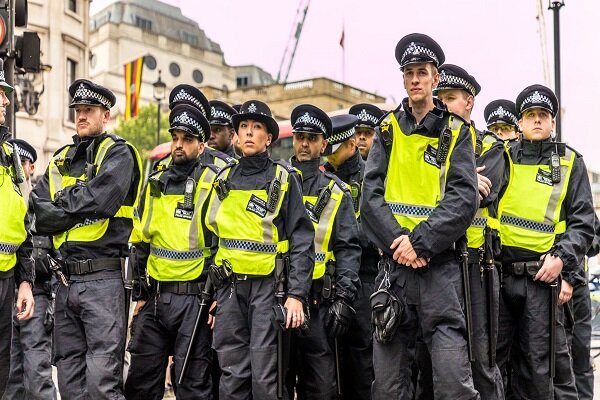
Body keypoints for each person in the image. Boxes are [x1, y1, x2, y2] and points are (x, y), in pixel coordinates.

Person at [361, 33, 480, 399]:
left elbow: (463, 197)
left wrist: (421, 242)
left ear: (435, 79)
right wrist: (401, 243)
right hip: (395, 271)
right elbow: (370, 197)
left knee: (452, 381)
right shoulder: (386, 129)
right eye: (409, 72)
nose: (415, 79)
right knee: (389, 385)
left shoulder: (457, 131)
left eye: (422, 72)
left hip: (439, 270)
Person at [31, 79, 143, 399]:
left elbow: (103, 200)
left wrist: (61, 207)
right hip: (65, 281)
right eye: (78, 110)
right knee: (68, 380)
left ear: (105, 115)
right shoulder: (61, 157)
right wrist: (76, 206)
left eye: (88, 110)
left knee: (101, 380)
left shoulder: (119, 153)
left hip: (103, 280)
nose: (81, 116)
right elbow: (38, 211)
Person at [205, 100, 314, 399]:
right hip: (229, 289)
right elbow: (214, 239)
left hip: (268, 288)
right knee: (232, 375)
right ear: (236, 135)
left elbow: (302, 239)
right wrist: (212, 293)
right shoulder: (223, 179)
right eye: (243, 127)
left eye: (257, 127)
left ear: (269, 138)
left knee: (266, 378)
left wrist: (296, 295)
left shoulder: (283, 178)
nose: (249, 133)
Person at [495, 84, 594, 399]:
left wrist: (561, 261)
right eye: (530, 115)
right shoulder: (502, 158)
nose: (537, 121)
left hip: (542, 278)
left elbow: (583, 224)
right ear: (520, 123)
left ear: (553, 122)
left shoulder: (570, 163)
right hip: (499, 278)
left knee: (542, 370)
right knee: (496, 365)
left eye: (543, 115)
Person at [125, 104, 222, 399]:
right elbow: (140, 239)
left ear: (201, 144)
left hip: (195, 299)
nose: (178, 145)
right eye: (175, 138)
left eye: (187, 139)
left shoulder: (214, 181)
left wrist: (217, 295)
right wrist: (140, 293)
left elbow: (223, 244)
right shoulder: (155, 181)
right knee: (141, 381)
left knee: (191, 384)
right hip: (155, 298)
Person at [435, 64, 506, 399]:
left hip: (475, 265)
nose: (444, 105)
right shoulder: (427, 142)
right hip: (435, 259)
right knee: (438, 360)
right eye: (441, 98)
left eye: (451, 98)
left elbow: (483, 192)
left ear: (469, 103)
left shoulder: (490, 146)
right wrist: (462, 177)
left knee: (482, 359)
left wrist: (446, 179)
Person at [288, 104, 361, 399]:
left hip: (320, 303)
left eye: (312, 138)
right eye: (300, 136)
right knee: (275, 383)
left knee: (321, 387)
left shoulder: (336, 191)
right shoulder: (276, 181)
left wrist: (344, 298)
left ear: (323, 144)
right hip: (280, 299)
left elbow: (348, 250)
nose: (304, 144)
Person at [325, 114, 379, 399]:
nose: (326, 155)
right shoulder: (323, 177)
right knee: (330, 366)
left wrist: (348, 235)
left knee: (361, 363)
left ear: (349, 145)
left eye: (332, 149)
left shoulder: (370, 177)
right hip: (330, 281)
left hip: (364, 279)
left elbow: (375, 232)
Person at [3, 139, 57, 400]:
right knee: (10, 376)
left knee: (37, 375)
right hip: (10, 292)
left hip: (37, 293)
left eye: (20, 165)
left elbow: (56, 250)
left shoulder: (42, 201)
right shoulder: (9, 197)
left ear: (31, 167)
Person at [0, 59, 35, 397]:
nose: (7, 101)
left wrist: (25, 280)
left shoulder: (10, 154)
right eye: (0, 93)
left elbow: (25, 221)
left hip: (6, 280)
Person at [154, 85, 235, 172]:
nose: (182, 116)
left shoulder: (220, 165)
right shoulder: (162, 165)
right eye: (177, 110)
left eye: (190, 112)